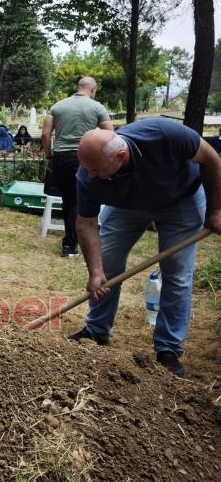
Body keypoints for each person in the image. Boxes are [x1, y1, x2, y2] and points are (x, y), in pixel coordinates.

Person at [67, 120, 221, 377]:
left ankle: (168, 348)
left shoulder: (165, 135)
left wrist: (216, 210)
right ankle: (96, 331)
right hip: (125, 205)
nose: (90, 174)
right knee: (108, 264)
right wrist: (95, 272)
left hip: (180, 200)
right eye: (88, 169)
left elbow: (212, 160)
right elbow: (86, 222)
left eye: (96, 170)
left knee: (176, 273)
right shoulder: (88, 174)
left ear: (121, 155)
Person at [41, 76, 112, 258]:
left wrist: (49, 156)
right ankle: (92, 241)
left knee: (69, 201)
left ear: (78, 87)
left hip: (62, 158)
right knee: (90, 199)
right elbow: (110, 134)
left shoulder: (57, 106)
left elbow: (45, 135)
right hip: (87, 157)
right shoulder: (97, 107)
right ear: (93, 89)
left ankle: (70, 245)